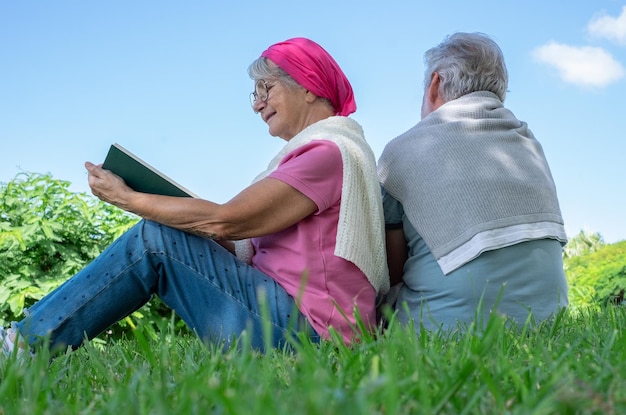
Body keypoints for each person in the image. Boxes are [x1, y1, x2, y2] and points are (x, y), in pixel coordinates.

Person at [1, 37, 389, 356]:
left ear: (307, 85)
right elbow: (232, 234)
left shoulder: (326, 153)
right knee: (169, 233)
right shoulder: (320, 153)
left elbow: (229, 220)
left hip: (311, 336)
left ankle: (24, 347)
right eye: (253, 94)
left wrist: (128, 199)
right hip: (294, 320)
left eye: (265, 89)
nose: (256, 104)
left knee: (154, 239)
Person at [377, 32, 568, 332]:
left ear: (435, 84)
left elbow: (393, 269)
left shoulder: (399, 151)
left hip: (441, 329)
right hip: (548, 321)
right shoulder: (530, 143)